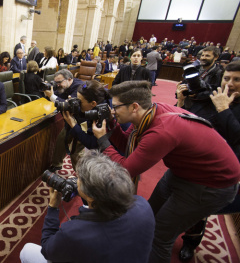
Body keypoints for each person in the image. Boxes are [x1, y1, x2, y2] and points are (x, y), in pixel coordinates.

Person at [92, 80, 240, 263]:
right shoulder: (149, 113)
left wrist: (102, 140)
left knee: (161, 236)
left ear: (134, 107)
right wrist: (111, 125)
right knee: (148, 215)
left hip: (211, 185)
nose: (112, 111)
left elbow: (126, 168)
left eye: (115, 107)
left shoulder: (160, 130)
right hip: (183, 171)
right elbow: (125, 143)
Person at [20, 151, 155, 263]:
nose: (75, 179)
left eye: (79, 178)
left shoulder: (74, 233)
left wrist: (53, 208)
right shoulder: (143, 206)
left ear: (91, 197)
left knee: (26, 250)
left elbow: (47, 249)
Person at [177, 63, 240, 261]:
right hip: (194, 160)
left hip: (220, 169)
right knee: (179, 201)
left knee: (198, 211)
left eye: (236, 79)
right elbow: (190, 120)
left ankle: (190, 243)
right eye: (227, 78)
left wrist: (223, 108)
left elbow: (237, 138)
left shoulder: (222, 102)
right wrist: (182, 101)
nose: (230, 84)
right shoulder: (212, 96)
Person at [44, 69, 84, 172]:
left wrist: (52, 96)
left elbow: (68, 106)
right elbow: (56, 96)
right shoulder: (64, 86)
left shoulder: (79, 87)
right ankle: (57, 164)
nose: (57, 85)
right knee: (61, 140)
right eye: (55, 82)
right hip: (70, 121)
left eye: (59, 82)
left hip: (82, 123)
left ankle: (82, 178)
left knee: (76, 153)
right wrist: (47, 91)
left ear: (69, 79)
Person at [62, 80, 111, 153]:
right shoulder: (99, 98)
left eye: (80, 101)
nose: (78, 103)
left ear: (93, 103)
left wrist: (72, 124)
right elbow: (83, 112)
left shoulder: (102, 114)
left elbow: (92, 144)